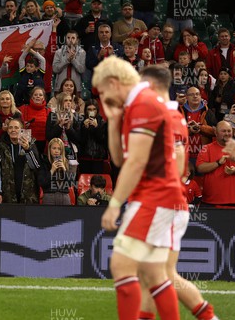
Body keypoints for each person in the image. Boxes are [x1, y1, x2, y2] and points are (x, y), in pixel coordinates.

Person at [93, 56, 186, 320]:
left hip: (155, 196)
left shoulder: (143, 104)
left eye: (103, 91)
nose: (103, 98)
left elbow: (136, 162)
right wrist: (113, 121)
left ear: (114, 82)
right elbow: (120, 159)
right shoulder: (136, 105)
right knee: (154, 274)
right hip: (157, 196)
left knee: (121, 265)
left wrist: (113, 204)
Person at [139, 65, 219, 320]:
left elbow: (171, 160)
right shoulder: (172, 117)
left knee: (158, 272)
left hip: (165, 203)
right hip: (165, 202)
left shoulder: (165, 119)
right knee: (155, 272)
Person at [196, 120, 235, 207]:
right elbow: (200, 168)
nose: (227, 133)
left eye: (229, 131)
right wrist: (218, 163)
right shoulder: (207, 148)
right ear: (216, 132)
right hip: (210, 202)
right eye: (223, 131)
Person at [0, 118, 41, 204]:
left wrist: (27, 150)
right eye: (10, 128)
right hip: (8, 195)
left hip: (28, 195)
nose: (13, 130)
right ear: (7, 131)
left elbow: (36, 166)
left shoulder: (31, 144)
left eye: (16, 127)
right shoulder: (1, 147)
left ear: (22, 130)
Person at [40, 137, 76, 205]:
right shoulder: (44, 162)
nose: (56, 151)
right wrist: (51, 170)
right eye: (54, 148)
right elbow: (42, 183)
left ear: (62, 151)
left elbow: (71, 183)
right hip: (49, 196)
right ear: (49, 149)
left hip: (64, 196)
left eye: (59, 149)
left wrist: (64, 171)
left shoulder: (68, 163)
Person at [78, 100, 108, 174]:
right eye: (89, 109)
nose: (92, 111)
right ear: (86, 110)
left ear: (97, 110)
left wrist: (97, 128)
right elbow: (81, 141)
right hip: (84, 157)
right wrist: (85, 128)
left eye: (94, 109)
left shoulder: (102, 122)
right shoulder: (81, 122)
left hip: (98, 158)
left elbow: (103, 140)